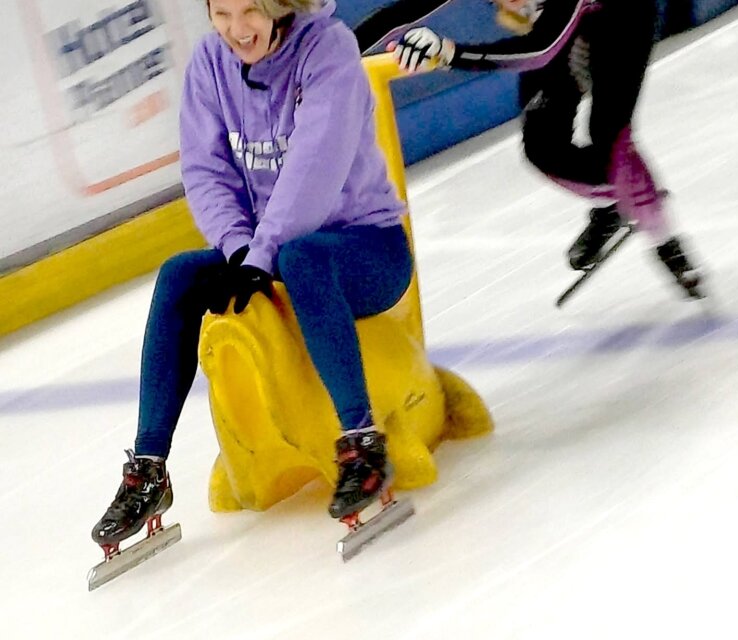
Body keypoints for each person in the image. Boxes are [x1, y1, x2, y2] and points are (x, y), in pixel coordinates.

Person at [91, 0, 413, 552]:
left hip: (365, 248)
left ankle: (363, 444)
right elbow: (205, 168)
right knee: (179, 276)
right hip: (269, 249)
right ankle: (148, 469)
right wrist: (240, 249)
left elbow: (315, 169)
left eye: (250, 12)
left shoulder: (328, 49)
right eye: (222, 13)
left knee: (305, 257)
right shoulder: (210, 64)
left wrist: (261, 255)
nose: (237, 31)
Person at [354, 0, 705, 298]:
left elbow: (540, 50)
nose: (501, 5)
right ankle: (614, 202)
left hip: (621, 16)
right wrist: (334, 56)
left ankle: (665, 241)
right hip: (555, 20)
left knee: (610, 135)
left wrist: (450, 53)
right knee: (543, 147)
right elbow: (397, 13)